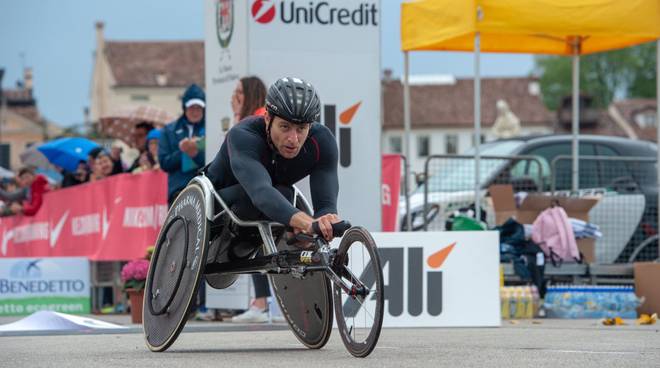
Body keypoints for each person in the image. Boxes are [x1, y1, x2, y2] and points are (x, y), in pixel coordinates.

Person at [206, 77, 341, 321]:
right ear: (268, 118)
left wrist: (327, 216)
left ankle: (288, 240)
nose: (293, 139)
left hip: (268, 200)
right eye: (285, 127)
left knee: (285, 194)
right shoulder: (243, 135)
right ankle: (288, 232)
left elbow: (325, 198)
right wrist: (307, 223)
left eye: (301, 129)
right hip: (222, 200)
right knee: (271, 197)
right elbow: (260, 193)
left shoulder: (322, 141)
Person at [159, 84, 206, 205]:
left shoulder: (210, 129)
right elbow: (164, 162)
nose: (195, 112)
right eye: (191, 107)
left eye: (198, 108)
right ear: (184, 108)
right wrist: (183, 152)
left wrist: (195, 153)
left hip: (205, 191)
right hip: (178, 192)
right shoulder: (169, 130)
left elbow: (214, 160)